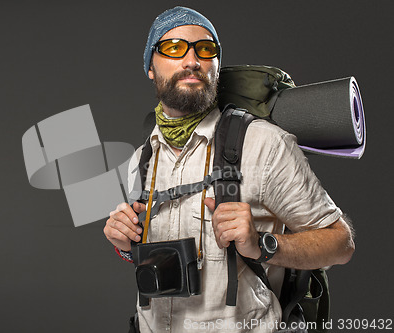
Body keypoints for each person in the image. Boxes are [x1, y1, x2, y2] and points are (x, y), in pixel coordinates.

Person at [103, 6, 355, 333]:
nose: (192, 60)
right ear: (151, 66)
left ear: (216, 67)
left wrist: (262, 244)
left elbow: (341, 242)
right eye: (175, 48)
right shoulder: (141, 158)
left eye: (205, 50)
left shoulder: (263, 145)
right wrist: (126, 245)